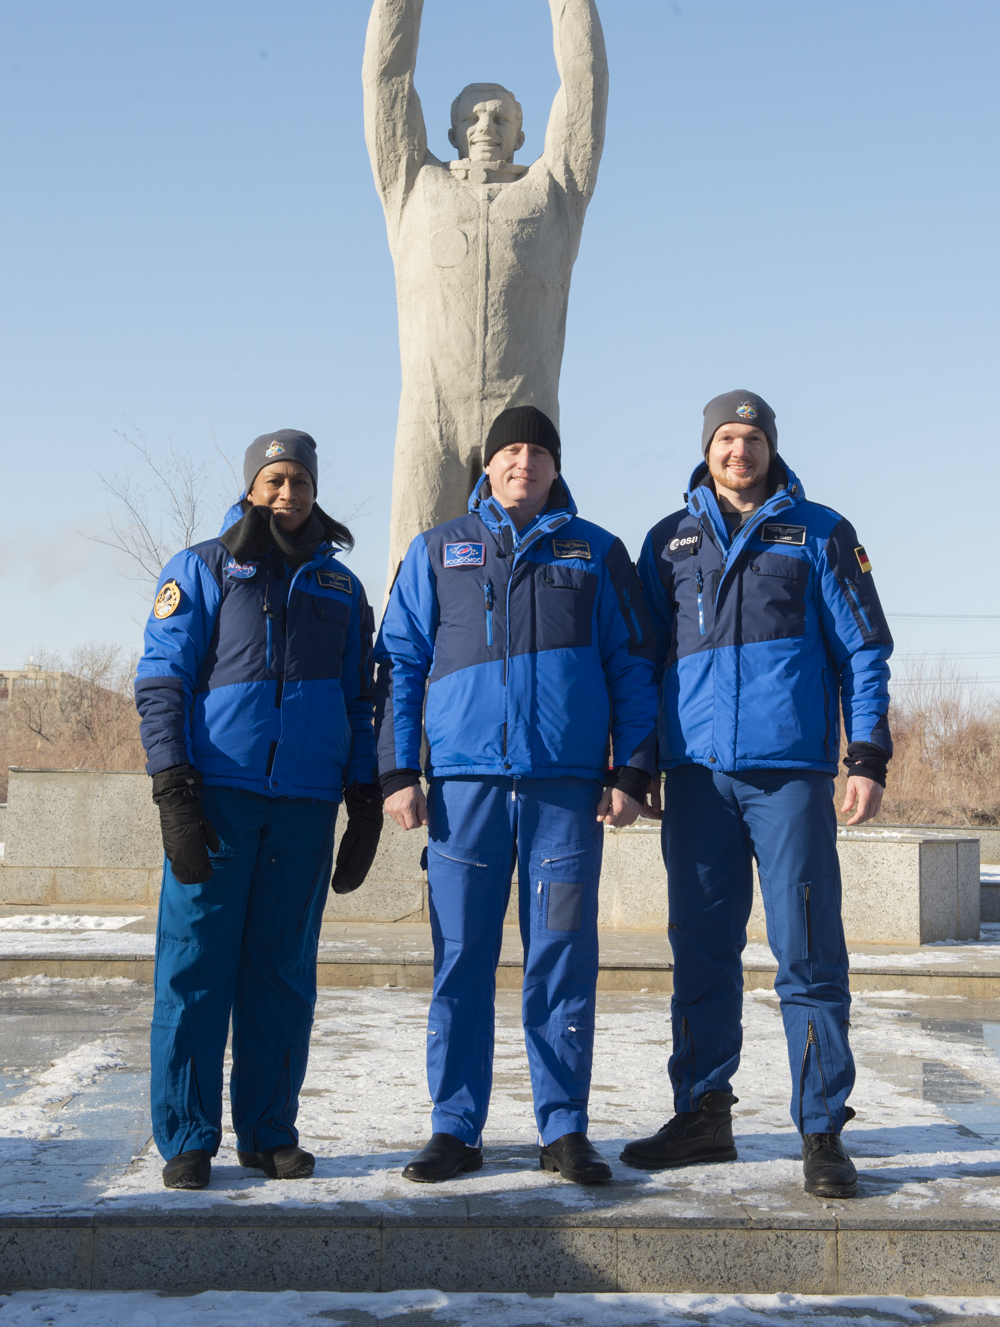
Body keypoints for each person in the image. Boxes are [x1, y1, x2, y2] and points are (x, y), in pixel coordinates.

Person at [375, 406, 658, 1185]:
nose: (523, 462)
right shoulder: (437, 552)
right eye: (510, 451)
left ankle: (563, 1128)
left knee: (562, 957)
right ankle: (454, 1127)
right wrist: (400, 773)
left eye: (537, 451)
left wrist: (631, 771)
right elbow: (400, 663)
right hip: (463, 792)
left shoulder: (597, 552)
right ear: (488, 466)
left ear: (554, 467)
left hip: (564, 793)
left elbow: (633, 663)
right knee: (460, 957)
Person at [621, 392, 893, 1199]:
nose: (739, 451)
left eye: (753, 438)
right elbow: (639, 663)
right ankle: (704, 1113)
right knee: (702, 952)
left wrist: (866, 756)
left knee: (807, 950)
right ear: (707, 449)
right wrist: (637, 766)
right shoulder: (666, 543)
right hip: (697, 778)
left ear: (772, 447)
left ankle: (821, 1130)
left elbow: (866, 651)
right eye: (726, 438)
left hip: (789, 779)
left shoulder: (819, 532)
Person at [135, 429, 380, 1190]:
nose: (287, 493)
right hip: (219, 800)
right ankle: (187, 1137)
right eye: (273, 479)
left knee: (281, 973)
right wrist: (174, 790)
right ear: (250, 488)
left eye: (299, 480)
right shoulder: (202, 569)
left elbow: (363, 699)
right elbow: (162, 682)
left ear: (314, 489)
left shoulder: (341, 587)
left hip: (305, 806)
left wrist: (363, 796)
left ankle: (268, 1130)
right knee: (195, 970)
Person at [363, 0, 608, 590]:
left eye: (501, 116)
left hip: (523, 410)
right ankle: (400, 701)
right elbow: (385, 86)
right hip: (428, 416)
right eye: (470, 115)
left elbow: (584, 93)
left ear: (524, 134)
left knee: (533, 579)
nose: (484, 125)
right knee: (413, 582)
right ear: (446, 130)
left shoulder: (553, 193)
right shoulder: (414, 186)